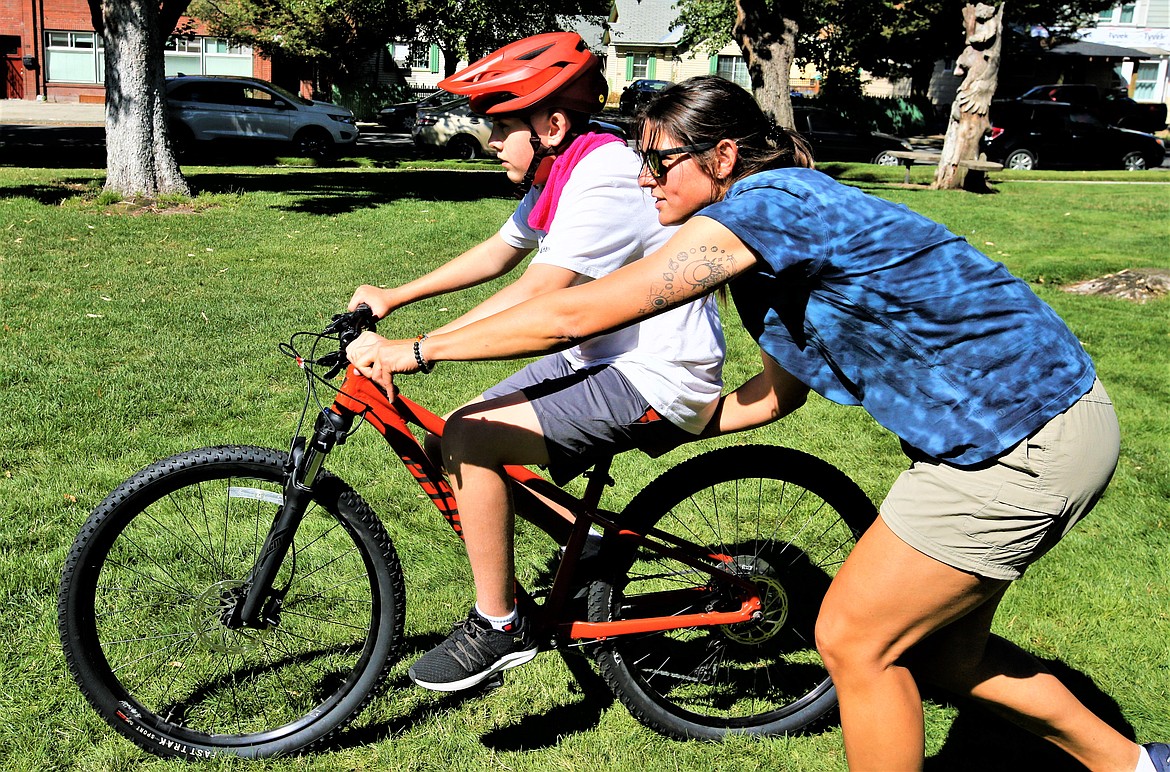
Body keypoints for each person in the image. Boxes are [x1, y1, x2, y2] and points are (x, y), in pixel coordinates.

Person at [347, 75, 1168, 771]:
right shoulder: (770, 240)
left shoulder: (768, 207)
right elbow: (778, 395)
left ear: (724, 158)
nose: (644, 180)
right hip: (1027, 426)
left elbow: (584, 312)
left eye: (659, 161)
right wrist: (673, 426)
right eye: (638, 160)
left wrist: (419, 350)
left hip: (1016, 439)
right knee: (948, 656)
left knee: (853, 640)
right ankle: (1133, 765)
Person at [347, 37, 724, 693]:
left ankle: (499, 625)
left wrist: (413, 350)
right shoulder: (563, 167)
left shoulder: (602, 173)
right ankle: (597, 552)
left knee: (469, 436)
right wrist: (395, 297)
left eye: (500, 126)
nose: (490, 140)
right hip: (607, 355)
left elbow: (538, 295)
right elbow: (501, 253)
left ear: (550, 125)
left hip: (657, 372)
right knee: (452, 436)